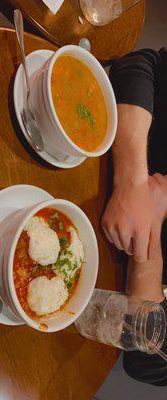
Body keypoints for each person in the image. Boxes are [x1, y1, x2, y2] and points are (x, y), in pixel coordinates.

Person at [102, 48, 167, 385]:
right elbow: (139, 64)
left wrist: (147, 251)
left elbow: (149, 361)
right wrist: (133, 183)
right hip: (92, 167)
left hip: (101, 294)